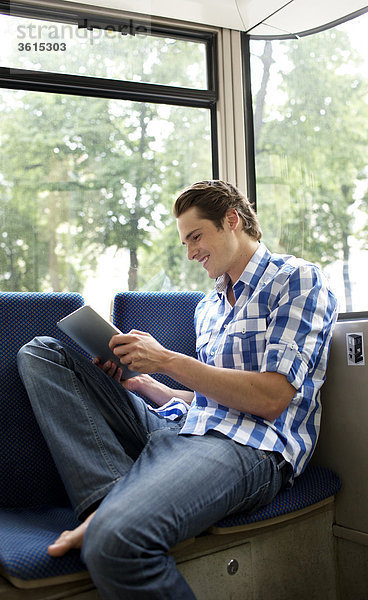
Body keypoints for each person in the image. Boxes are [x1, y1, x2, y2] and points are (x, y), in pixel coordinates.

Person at [17, 180, 337, 600]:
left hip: (250, 446)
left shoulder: (297, 279)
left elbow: (269, 399)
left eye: (195, 237)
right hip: (184, 429)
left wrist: (166, 359)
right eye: (185, 242)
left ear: (232, 221)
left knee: (115, 545)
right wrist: (146, 384)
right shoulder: (209, 306)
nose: (190, 253)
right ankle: (114, 501)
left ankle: (114, 517)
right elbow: (208, 399)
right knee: (42, 353)